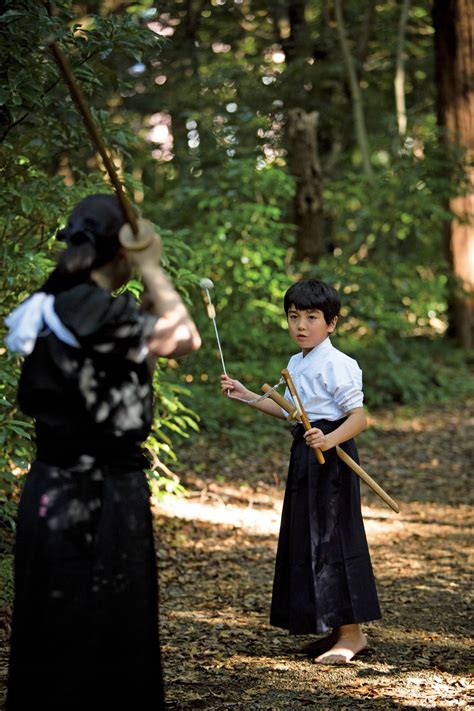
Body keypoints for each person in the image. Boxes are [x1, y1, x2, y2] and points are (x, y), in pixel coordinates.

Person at [4, 193, 201, 709]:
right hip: (93, 498)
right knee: (99, 634)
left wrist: (144, 275)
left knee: (64, 633)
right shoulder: (87, 307)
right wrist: (152, 266)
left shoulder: (69, 302)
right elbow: (183, 338)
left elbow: (146, 350)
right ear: (120, 254)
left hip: (57, 489)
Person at [220, 278, 381, 664]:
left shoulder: (341, 364)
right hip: (306, 453)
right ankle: (329, 627)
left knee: (335, 539)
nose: (301, 326)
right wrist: (248, 396)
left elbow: (359, 418)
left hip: (332, 456)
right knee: (306, 539)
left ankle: (353, 635)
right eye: (294, 317)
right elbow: (292, 413)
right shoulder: (297, 362)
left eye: (311, 317)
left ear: (332, 323)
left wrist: (330, 440)